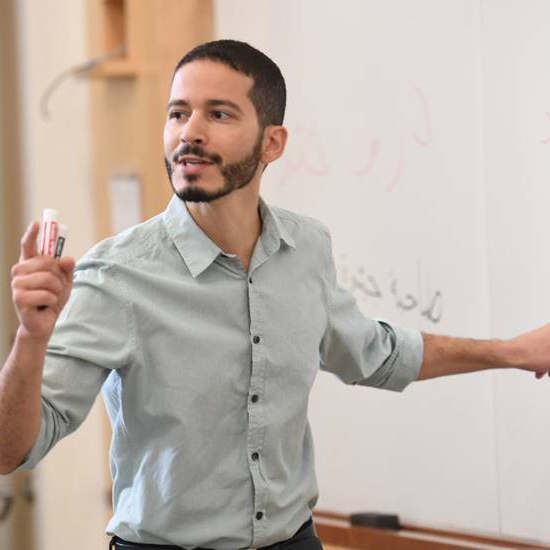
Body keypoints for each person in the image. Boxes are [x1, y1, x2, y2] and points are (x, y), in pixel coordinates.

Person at [1, 39, 549, 550]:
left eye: (218, 114)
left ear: (273, 142)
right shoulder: (116, 274)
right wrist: (31, 337)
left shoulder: (306, 248)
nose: (189, 132)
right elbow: (11, 451)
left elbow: (376, 354)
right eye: (177, 113)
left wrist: (511, 352)